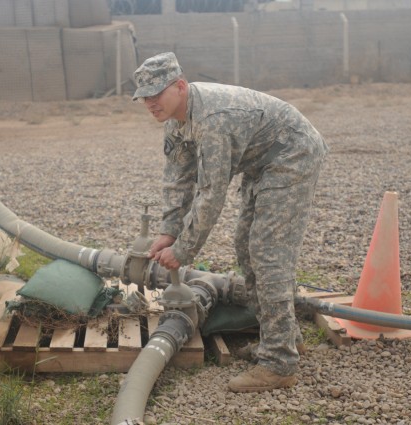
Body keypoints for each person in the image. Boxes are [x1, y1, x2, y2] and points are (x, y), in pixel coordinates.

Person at [135, 52, 328, 392]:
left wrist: (183, 249)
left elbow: (211, 193)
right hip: (262, 163)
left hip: (292, 153)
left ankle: (279, 364)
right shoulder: (175, 120)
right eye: (144, 96)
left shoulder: (212, 119)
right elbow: (178, 180)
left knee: (269, 254)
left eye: (156, 93)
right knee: (246, 246)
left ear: (180, 86)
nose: (150, 102)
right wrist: (168, 232)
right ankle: (285, 339)